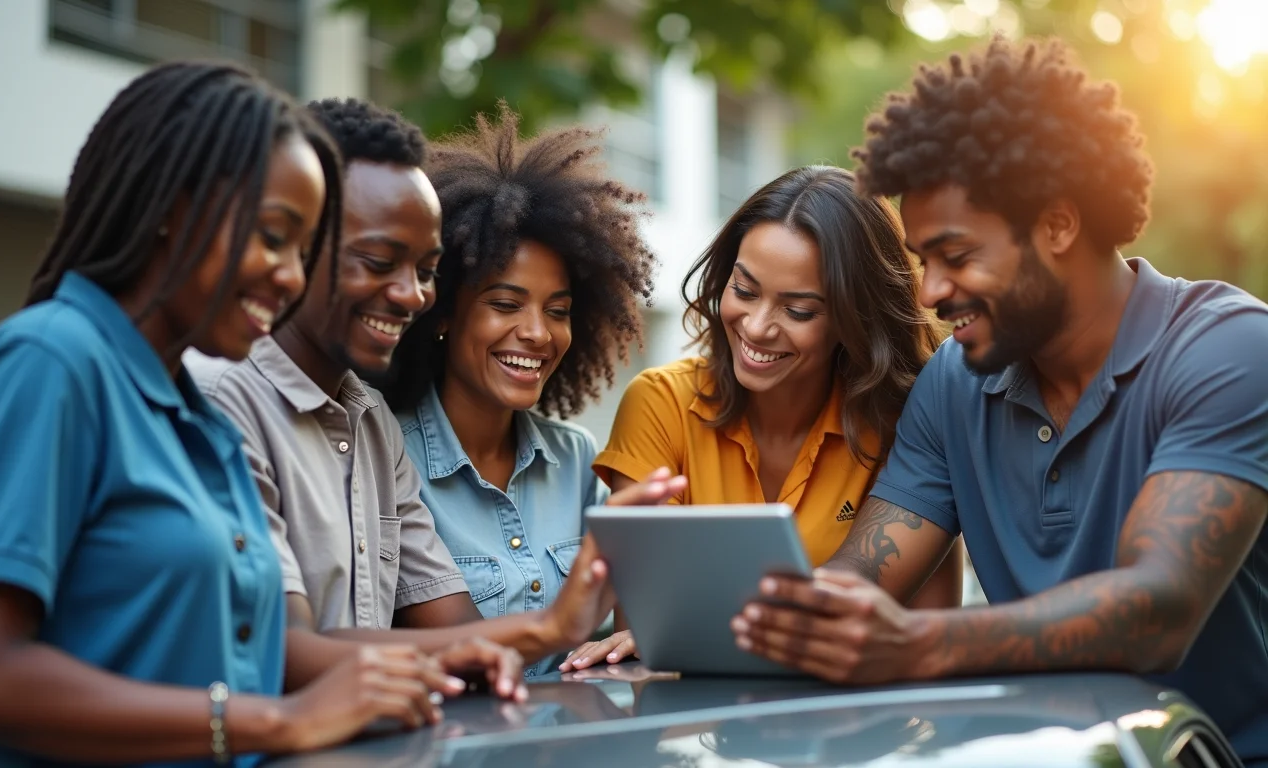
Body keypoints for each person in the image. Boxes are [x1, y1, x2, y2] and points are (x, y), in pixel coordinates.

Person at [729, 38, 1268, 767]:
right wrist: (732, 624)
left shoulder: (1227, 349)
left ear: (1057, 224)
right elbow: (862, 576)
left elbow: (1159, 609)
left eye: (956, 256)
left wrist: (914, 644)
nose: (930, 293)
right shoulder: (954, 383)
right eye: (923, 262)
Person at [0, 61, 505, 768]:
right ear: (172, 207)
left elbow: (258, 650)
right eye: (273, 237)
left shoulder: (194, 416)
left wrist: (432, 665)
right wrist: (275, 722)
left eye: (302, 248)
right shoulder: (53, 362)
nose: (291, 276)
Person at [186, 98, 685, 682]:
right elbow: (285, 646)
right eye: (378, 261)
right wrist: (555, 627)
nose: (410, 294)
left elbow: (454, 632)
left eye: (425, 271)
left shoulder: (368, 421)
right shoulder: (221, 397)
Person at [565, 165, 964, 670]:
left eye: (798, 311)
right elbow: (652, 634)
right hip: (697, 728)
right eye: (745, 290)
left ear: (854, 316)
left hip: (863, 728)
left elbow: (927, 643)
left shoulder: (907, 423)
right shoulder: (660, 403)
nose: (756, 327)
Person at [374, 105, 656, 676]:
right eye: (505, 304)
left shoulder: (575, 458)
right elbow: (456, 651)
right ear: (445, 311)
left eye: (558, 311)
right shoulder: (386, 453)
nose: (536, 332)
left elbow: (625, 624)